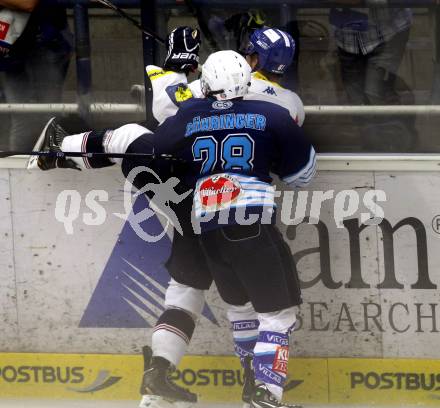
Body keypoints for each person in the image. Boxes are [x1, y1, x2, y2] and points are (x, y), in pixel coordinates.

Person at [35, 47, 315, 408]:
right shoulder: (278, 109)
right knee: (272, 313)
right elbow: (302, 173)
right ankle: (260, 393)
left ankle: (159, 381)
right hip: (246, 216)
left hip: (200, 214)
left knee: (199, 295)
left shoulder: (192, 113)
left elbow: (160, 138)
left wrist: (174, 75)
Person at [330, 6, 415, 150]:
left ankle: (396, 145)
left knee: (376, 92)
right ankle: (373, 145)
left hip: (387, 31)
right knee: (356, 99)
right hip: (346, 37)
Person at [0, 0, 72, 150]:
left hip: (45, 42)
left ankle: (54, 164)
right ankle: (21, 168)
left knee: (49, 114)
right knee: (20, 116)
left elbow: (28, 3)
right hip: (13, 49)